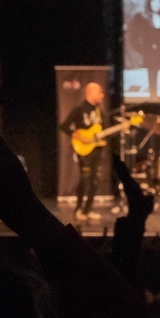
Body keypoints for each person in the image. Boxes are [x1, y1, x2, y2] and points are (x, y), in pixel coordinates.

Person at [59, 81, 109, 222]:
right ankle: (78, 209)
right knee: (84, 179)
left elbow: (105, 130)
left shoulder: (100, 111)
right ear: (90, 93)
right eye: (99, 92)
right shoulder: (80, 109)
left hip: (97, 148)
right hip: (84, 149)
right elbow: (64, 126)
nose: (102, 95)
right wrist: (78, 136)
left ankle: (88, 210)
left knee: (95, 180)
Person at [126, 0, 160, 98]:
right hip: (151, 55)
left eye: (159, 1)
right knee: (153, 87)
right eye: (154, 1)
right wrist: (143, 50)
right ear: (149, 2)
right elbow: (133, 36)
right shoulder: (141, 17)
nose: (157, 4)